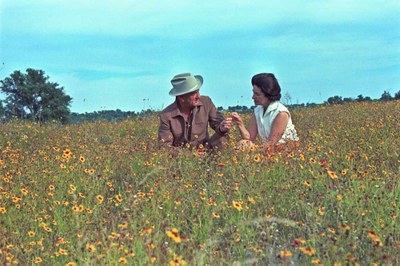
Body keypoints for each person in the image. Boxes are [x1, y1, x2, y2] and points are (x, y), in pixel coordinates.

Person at [158, 72, 232, 152]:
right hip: (182, 158)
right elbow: (164, 146)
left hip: (206, 151)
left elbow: (218, 122)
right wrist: (188, 156)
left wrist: (221, 127)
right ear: (181, 97)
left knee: (222, 137)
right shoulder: (166, 115)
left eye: (198, 91)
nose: (198, 96)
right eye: (193, 93)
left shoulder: (206, 102)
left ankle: (218, 163)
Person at [231, 73, 299, 153]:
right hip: (268, 149)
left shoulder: (281, 113)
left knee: (244, 148)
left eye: (257, 94)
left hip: (285, 151)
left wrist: (252, 150)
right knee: (243, 143)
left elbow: (271, 143)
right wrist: (240, 123)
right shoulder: (258, 111)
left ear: (268, 95)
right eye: (253, 93)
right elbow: (249, 138)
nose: (253, 97)